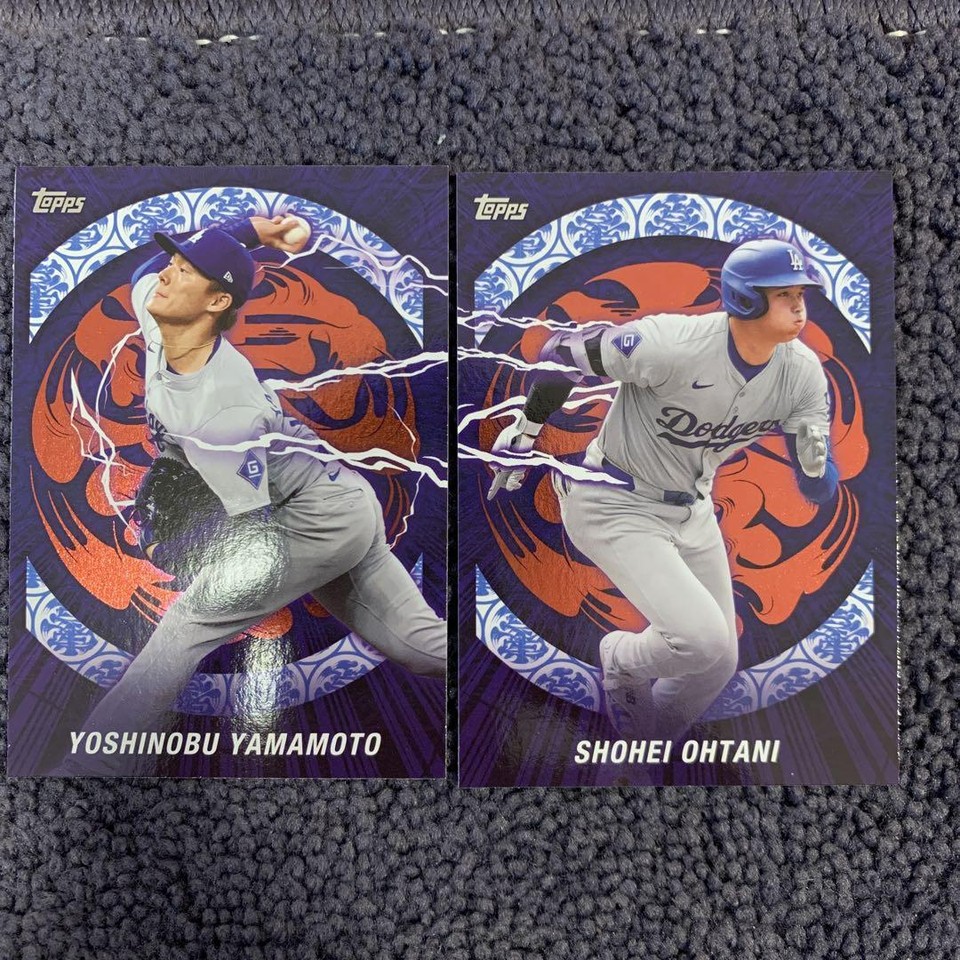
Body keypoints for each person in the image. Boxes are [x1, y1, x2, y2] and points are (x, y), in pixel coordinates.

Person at [58, 215, 445, 775]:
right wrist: (255, 231)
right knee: (417, 646)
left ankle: (94, 769)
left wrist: (185, 551)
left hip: (311, 518)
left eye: (185, 271)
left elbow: (254, 540)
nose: (166, 274)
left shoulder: (224, 411)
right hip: (336, 497)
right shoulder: (165, 316)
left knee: (187, 626)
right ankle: (506, 672)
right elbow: (146, 270)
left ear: (216, 302)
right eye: (175, 263)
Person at [489, 239, 839, 742]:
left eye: (800, 293)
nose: (798, 305)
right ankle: (620, 659)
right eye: (782, 293)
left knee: (718, 663)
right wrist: (527, 429)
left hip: (692, 509)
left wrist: (816, 469)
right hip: (613, 500)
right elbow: (561, 352)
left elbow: (817, 484)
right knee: (701, 640)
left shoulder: (802, 373)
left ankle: (648, 747)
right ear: (745, 299)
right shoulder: (672, 343)